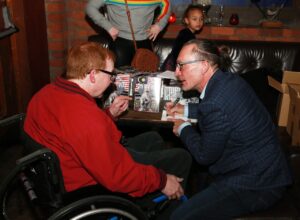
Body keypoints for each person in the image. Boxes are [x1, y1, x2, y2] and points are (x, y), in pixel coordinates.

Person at [24, 42, 192, 208]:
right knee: (181, 158)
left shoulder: (46, 93)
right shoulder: (85, 118)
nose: (112, 81)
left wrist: (109, 114)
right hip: (85, 188)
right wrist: (161, 181)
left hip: (64, 169)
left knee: (153, 138)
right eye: (110, 75)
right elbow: (118, 177)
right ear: (92, 75)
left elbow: (75, 130)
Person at [165, 39, 292, 219]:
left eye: (181, 66)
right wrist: (185, 109)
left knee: (179, 217)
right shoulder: (226, 80)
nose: (177, 73)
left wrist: (183, 128)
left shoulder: (214, 102)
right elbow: (223, 111)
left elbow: (204, 155)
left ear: (203, 66)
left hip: (256, 184)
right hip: (266, 169)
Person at [86, 0, 171, 67]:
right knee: (120, 80)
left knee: (145, 80)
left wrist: (159, 25)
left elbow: (167, 4)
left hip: (146, 42)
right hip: (120, 42)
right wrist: (109, 27)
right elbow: (90, 8)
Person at [161, 4, 204, 71]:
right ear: (187, 20)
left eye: (201, 19)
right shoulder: (185, 34)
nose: (199, 22)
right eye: (195, 19)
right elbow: (177, 51)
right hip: (175, 66)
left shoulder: (189, 34)